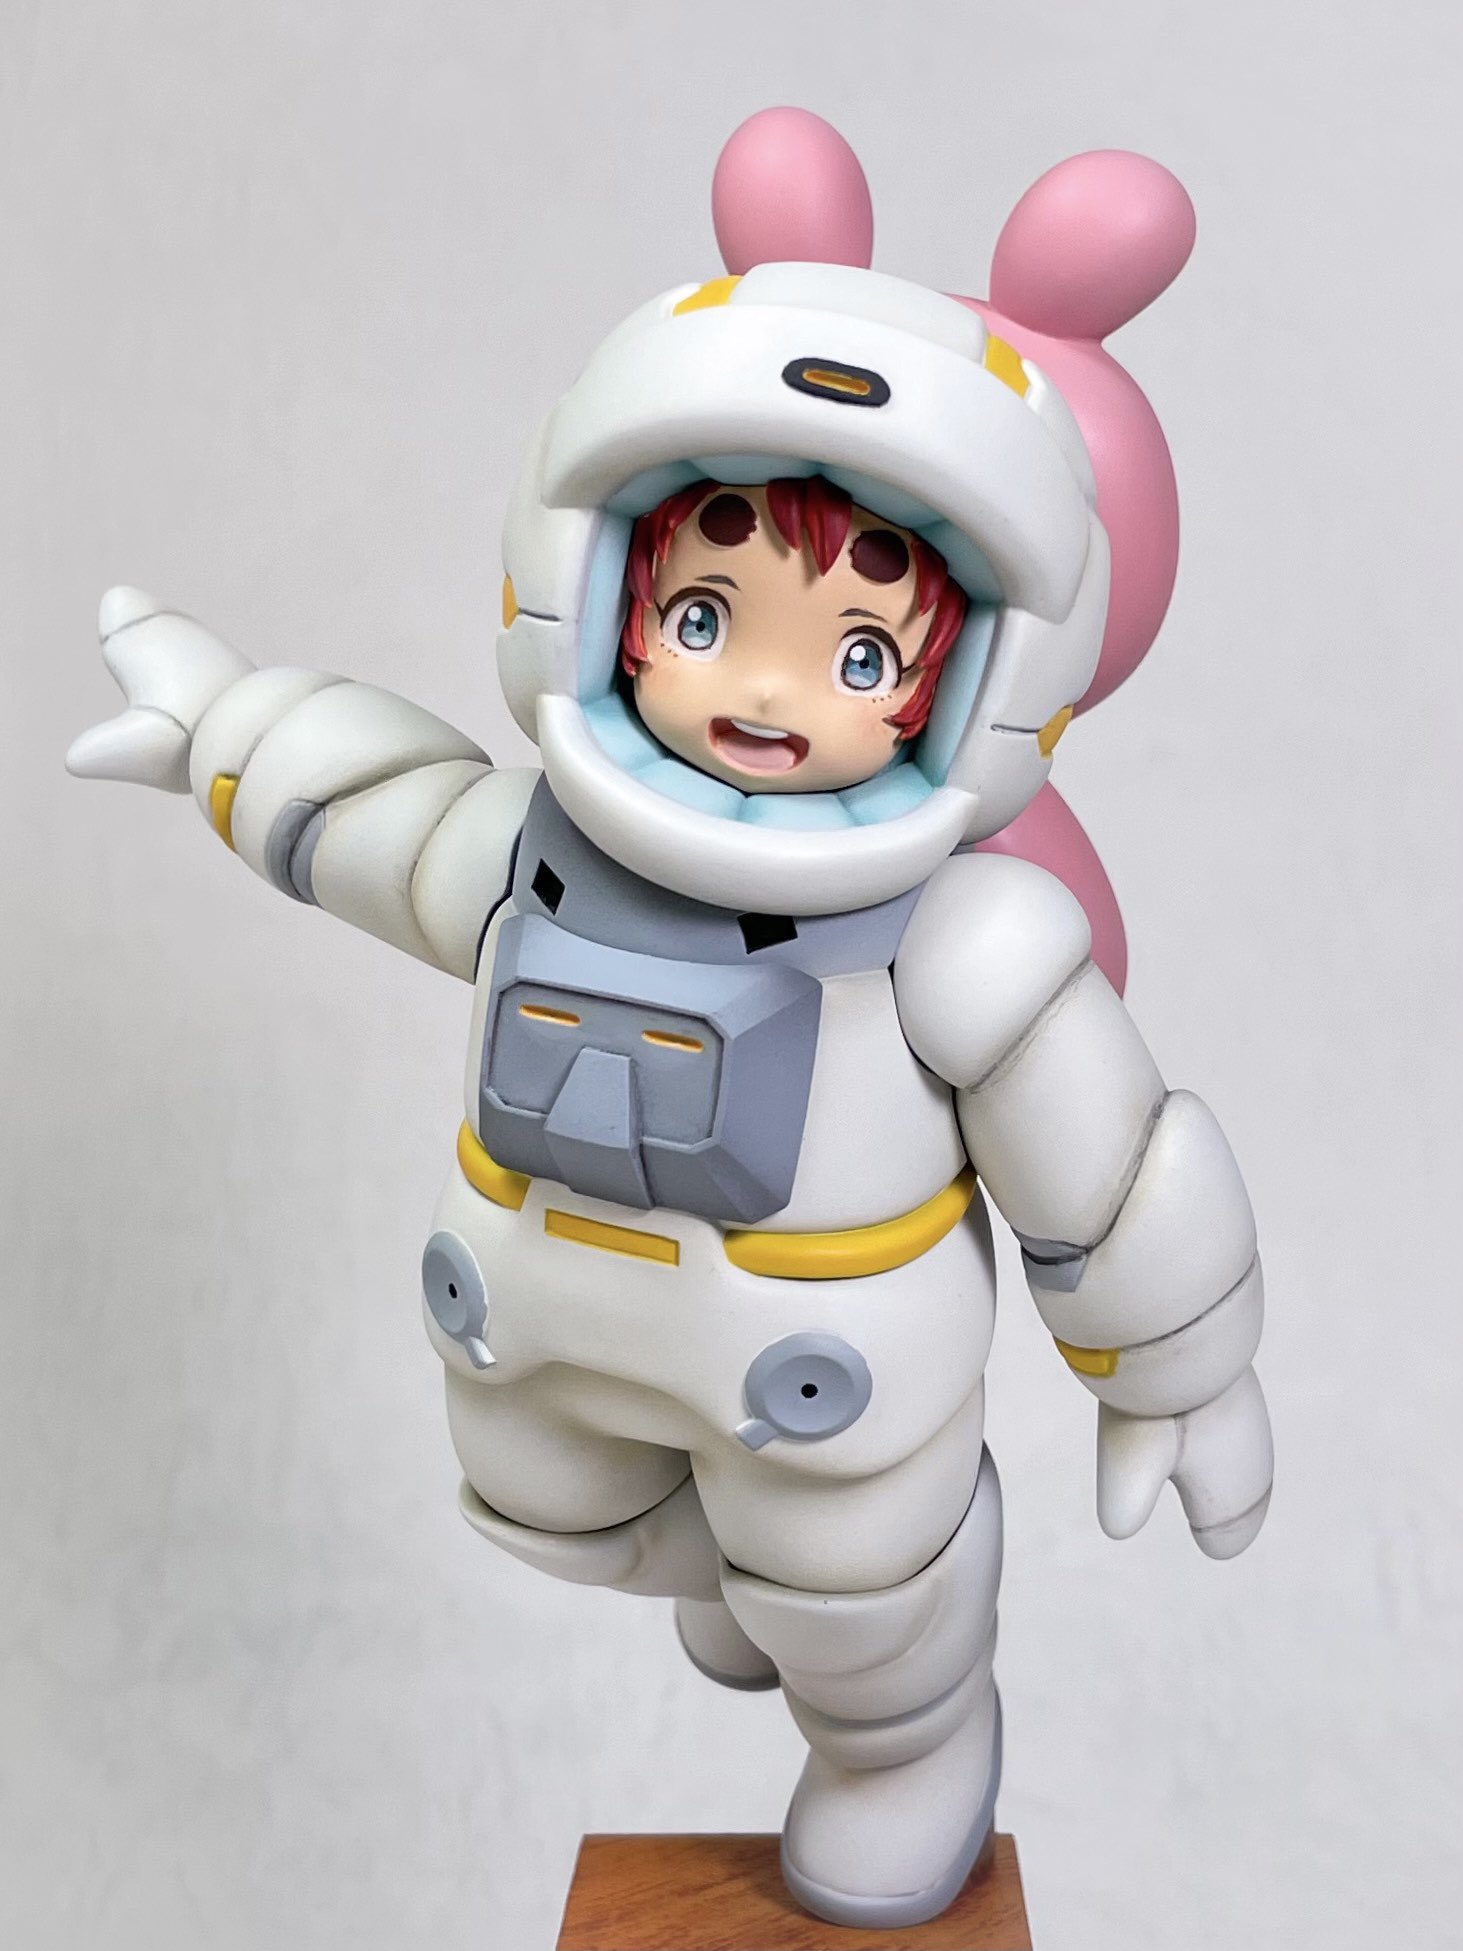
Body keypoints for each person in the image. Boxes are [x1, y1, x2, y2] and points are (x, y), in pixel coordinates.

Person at [68, 196, 1272, 1933]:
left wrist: (1178, 1368)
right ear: (597, 595)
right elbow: (375, 812)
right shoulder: (532, 850)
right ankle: (733, 1558)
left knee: (858, 1607)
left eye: (859, 655)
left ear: (968, 685)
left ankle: (905, 1752)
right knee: (547, 1508)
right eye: (708, 617)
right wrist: (224, 728)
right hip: (550, 1338)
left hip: (826, 1379)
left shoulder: (959, 942)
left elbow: (1118, 1169)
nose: (770, 696)